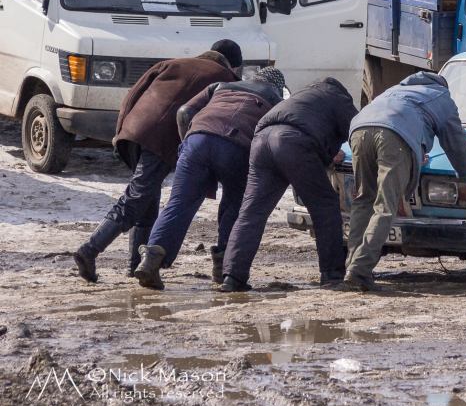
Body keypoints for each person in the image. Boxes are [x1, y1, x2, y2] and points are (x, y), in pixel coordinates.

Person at [73, 42, 241, 283]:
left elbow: (132, 94)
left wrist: (120, 132)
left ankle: (134, 267)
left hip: (133, 129)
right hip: (161, 138)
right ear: (232, 64)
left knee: (146, 199)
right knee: (136, 199)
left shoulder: (172, 63)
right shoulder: (225, 78)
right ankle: (90, 249)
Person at [134, 67, 286, 290]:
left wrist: (187, 142)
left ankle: (151, 258)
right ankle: (224, 269)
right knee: (234, 206)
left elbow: (184, 112)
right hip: (237, 147)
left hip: (197, 140)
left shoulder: (220, 86)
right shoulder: (275, 100)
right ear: (278, 87)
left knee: (178, 203)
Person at [344, 72, 466, 291]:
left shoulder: (395, 90)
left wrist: (414, 151)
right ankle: (360, 271)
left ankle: (351, 264)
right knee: (385, 206)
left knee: (364, 200)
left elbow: (401, 119)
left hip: (359, 130)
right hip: (393, 135)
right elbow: (455, 140)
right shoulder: (441, 96)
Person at [220, 78, 358, 292]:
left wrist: (327, 152)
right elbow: (358, 133)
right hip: (292, 143)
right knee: (326, 206)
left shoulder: (302, 95)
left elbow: (312, 125)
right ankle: (332, 275)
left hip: (261, 142)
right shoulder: (339, 98)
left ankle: (232, 277)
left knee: (251, 213)